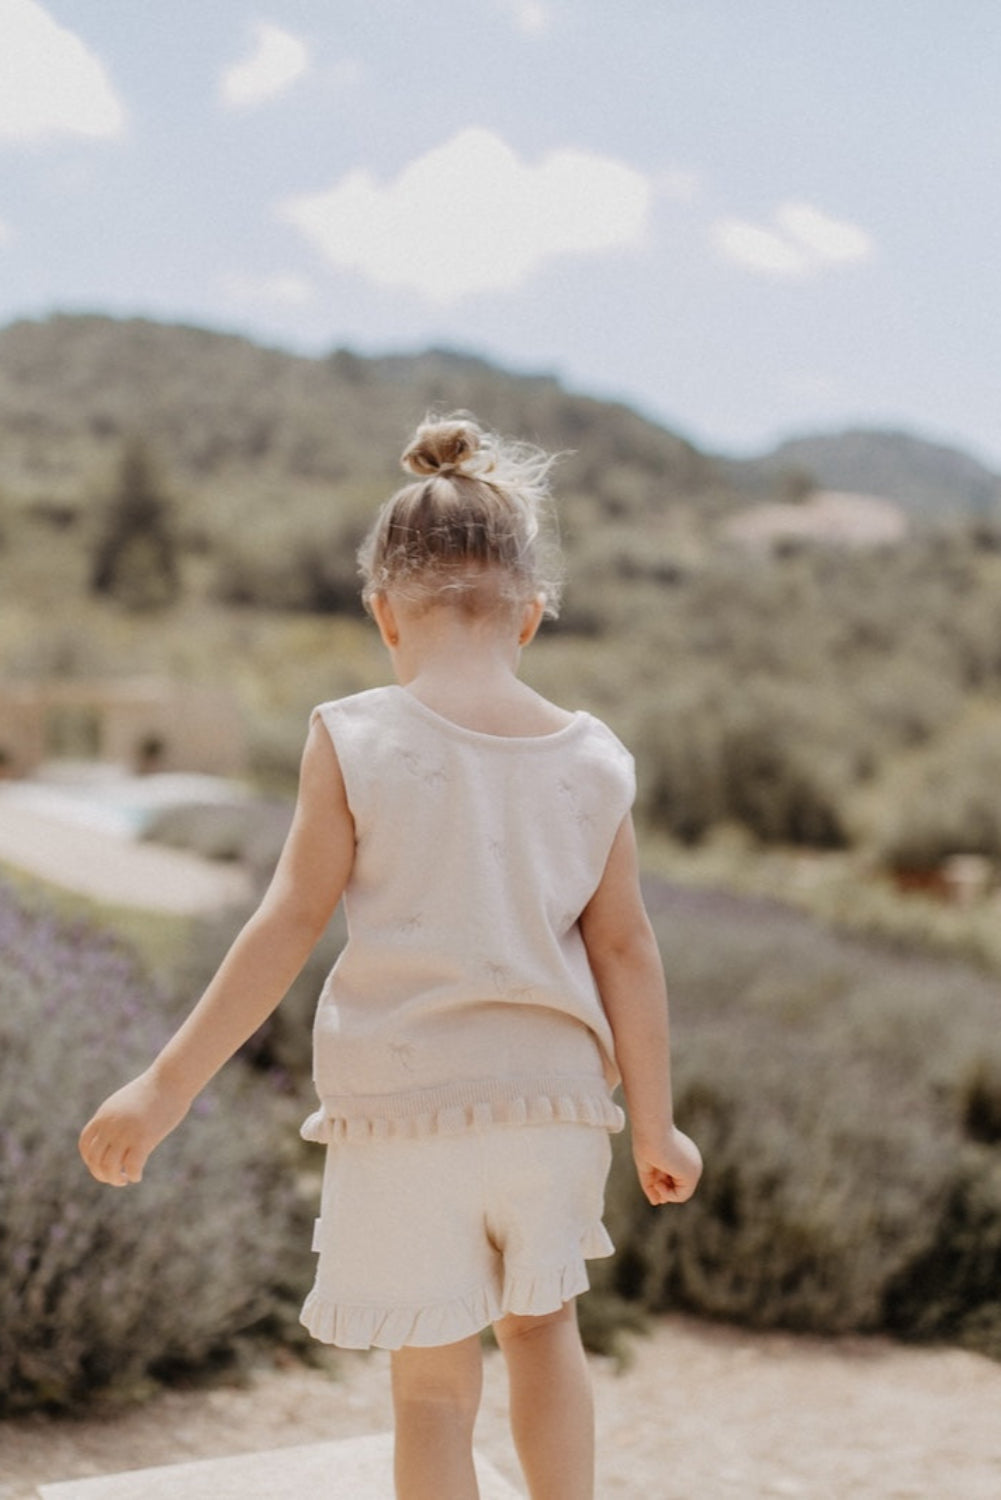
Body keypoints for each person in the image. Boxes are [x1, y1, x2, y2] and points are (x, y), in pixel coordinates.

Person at [79, 413, 702, 1500]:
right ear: (531, 617)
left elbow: (284, 924)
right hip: (554, 1110)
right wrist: (654, 1120)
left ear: (381, 614)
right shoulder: (593, 758)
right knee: (544, 1332)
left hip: (403, 1109)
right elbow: (625, 947)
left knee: (429, 1391)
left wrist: (163, 1085)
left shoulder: (354, 736)